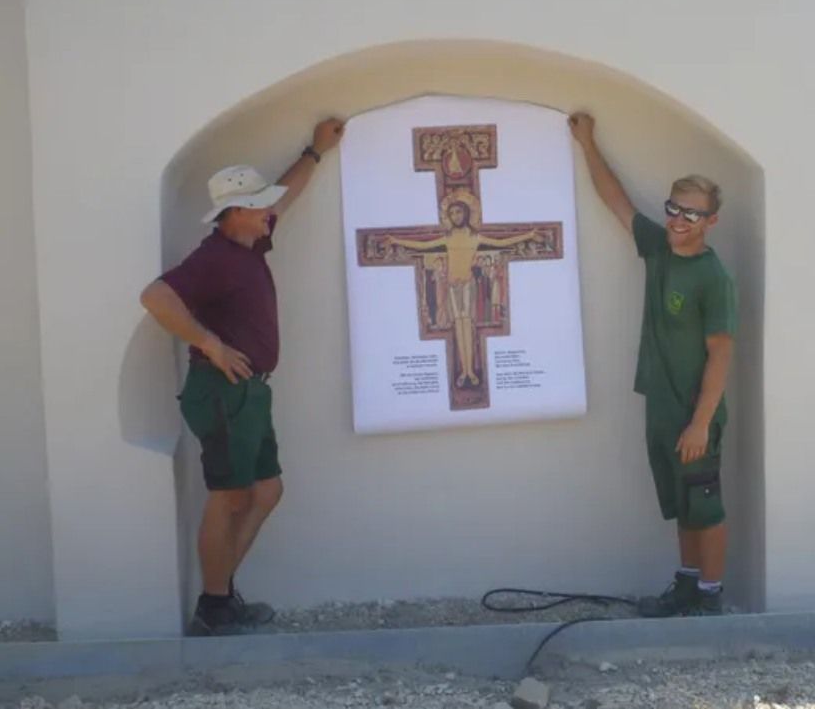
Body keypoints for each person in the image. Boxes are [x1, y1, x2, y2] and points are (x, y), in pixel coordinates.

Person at [140, 117, 345, 635]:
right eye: (260, 207)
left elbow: (286, 197)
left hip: (249, 393)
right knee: (229, 495)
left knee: (266, 490)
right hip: (223, 391)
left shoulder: (247, 246)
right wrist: (209, 344)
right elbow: (155, 297)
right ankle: (214, 606)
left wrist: (315, 153)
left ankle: (220, 596)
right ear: (235, 214)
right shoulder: (215, 258)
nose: (269, 213)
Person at [569, 112, 737, 616]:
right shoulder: (659, 250)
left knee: (704, 503)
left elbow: (721, 355)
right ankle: (687, 586)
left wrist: (701, 423)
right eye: (674, 209)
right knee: (682, 504)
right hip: (661, 407)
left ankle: (710, 597)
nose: (679, 221)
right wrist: (587, 143)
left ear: (710, 222)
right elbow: (616, 201)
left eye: (691, 214)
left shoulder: (713, 277)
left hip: (694, 414)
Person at [384, 188, 543, 388]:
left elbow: (501, 242)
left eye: (459, 212)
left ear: (466, 213)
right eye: (452, 213)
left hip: (467, 285)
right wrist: (396, 240)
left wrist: (528, 235)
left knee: (467, 327)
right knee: (458, 328)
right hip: (451, 286)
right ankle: (463, 370)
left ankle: (470, 370)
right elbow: (422, 245)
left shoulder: (475, 237)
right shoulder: (448, 238)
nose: (455, 216)